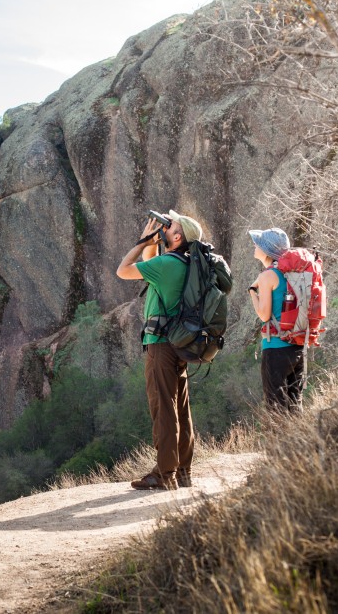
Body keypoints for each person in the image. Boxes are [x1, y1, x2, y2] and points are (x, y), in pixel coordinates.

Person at [116, 210, 204, 490]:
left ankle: (165, 474)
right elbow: (150, 264)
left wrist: (142, 241)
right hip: (181, 342)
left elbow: (124, 270)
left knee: (163, 408)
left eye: (171, 226)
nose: (166, 227)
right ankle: (183, 472)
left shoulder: (168, 264)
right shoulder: (186, 262)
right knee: (181, 407)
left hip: (161, 344)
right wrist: (154, 242)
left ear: (177, 237)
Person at [247, 227, 305, 413]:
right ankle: (301, 442)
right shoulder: (294, 272)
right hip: (298, 346)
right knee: (295, 406)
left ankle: (280, 443)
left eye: (259, 243)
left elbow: (264, 315)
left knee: (276, 409)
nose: (255, 245)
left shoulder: (267, 276)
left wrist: (252, 292)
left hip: (276, 349)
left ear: (267, 251)